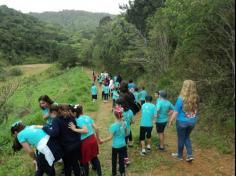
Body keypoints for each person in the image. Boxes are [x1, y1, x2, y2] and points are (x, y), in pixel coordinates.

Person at [37, 104, 81, 176]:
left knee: (67, 165)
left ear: (56, 111)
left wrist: (44, 128)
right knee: (75, 163)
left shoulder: (56, 120)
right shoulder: (71, 117)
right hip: (76, 144)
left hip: (66, 147)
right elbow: (76, 128)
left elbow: (54, 133)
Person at [169, 80, 199, 162]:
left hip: (182, 122)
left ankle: (180, 156)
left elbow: (176, 111)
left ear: (184, 87)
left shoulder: (181, 98)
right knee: (187, 137)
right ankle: (190, 155)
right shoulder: (196, 98)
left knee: (181, 138)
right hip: (192, 121)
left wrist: (171, 120)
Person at [69, 104, 102, 176]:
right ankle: (100, 174)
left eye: (71, 113)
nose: (71, 114)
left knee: (85, 160)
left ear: (75, 113)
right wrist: (98, 138)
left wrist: (74, 129)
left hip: (86, 141)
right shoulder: (87, 117)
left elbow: (85, 130)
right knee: (94, 157)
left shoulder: (78, 120)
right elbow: (96, 128)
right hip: (93, 138)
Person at [100, 106, 128, 176]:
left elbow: (110, 137)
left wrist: (102, 140)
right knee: (122, 159)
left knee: (114, 160)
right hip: (123, 144)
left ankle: (114, 173)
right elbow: (127, 133)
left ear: (115, 115)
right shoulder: (125, 123)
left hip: (115, 146)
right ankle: (122, 172)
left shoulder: (113, 126)